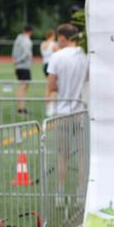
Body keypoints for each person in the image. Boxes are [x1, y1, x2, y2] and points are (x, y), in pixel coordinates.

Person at [46, 24, 89, 190]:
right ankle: (81, 190)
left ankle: (60, 190)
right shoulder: (84, 56)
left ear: (63, 38)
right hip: (80, 110)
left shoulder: (57, 56)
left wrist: (62, 87)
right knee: (81, 154)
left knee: (61, 154)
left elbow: (51, 86)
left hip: (62, 111)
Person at [13, 25, 34, 114]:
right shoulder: (26, 41)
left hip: (19, 67)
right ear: (30, 32)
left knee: (22, 87)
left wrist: (16, 61)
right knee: (23, 87)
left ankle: (21, 107)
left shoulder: (18, 39)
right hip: (24, 66)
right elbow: (26, 53)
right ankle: (21, 108)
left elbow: (14, 52)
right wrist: (19, 61)